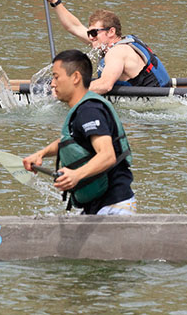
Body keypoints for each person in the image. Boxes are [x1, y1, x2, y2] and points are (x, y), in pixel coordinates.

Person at [22, 49, 135, 215]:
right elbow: (70, 141)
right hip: (97, 206)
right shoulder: (82, 109)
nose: (52, 83)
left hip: (113, 207)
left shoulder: (90, 111)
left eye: (56, 77)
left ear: (75, 77)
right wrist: (41, 154)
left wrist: (76, 175)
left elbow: (107, 155)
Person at [39, 0, 171, 92]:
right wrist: (55, 1)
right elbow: (74, 27)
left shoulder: (118, 52)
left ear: (111, 32)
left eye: (94, 33)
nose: (91, 38)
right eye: (90, 33)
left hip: (153, 109)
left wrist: (68, 91)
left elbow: (105, 85)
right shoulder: (106, 42)